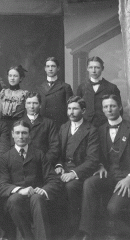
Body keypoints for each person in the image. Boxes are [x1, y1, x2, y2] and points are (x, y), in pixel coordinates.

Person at [0, 120, 61, 240]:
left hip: (36, 198)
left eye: (24, 133)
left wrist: (43, 190)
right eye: (17, 133)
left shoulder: (39, 154)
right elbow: (1, 185)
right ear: (12, 134)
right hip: (17, 200)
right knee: (13, 200)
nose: (21, 136)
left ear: (29, 135)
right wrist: (20, 190)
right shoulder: (5, 158)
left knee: (37, 198)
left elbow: (53, 179)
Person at [78, 94, 130, 240]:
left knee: (112, 209)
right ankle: (86, 232)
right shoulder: (99, 130)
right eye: (106, 107)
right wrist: (100, 165)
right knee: (90, 183)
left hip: (127, 178)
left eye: (112, 106)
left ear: (119, 107)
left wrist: (129, 178)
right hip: (110, 176)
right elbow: (97, 154)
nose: (109, 109)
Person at [55, 96, 99, 238]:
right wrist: (59, 165)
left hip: (81, 173)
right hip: (63, 171)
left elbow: (92, 160)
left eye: (75, 109)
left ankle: (76, 231)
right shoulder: (64, 127)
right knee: (50, 185)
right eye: (69, 108)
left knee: (70, 187)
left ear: (83, 110)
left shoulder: (91, 130)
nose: (71, 112)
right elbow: (58, 152)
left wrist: (74, 173)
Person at [77, 56, 121, 128]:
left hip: (106, 126)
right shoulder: (81, 87)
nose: (94, 71)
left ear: (102, 68)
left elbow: (119, 110)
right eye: (91, 67)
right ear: (87, 68)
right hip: (86, 126)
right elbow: (78, 108)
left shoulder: (112, 87)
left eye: (97, 67)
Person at [20, 91, 59, 165]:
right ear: (25, 105)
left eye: (35, 103)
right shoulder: (19, 123)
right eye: (29, 103)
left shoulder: (49, 123)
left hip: (44, 164)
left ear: (40, 105)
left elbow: (54, 147)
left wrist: (43, 162)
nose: (32, 106)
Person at [36, 57, 73, 128]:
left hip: (60, 125)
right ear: (45, 69)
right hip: (44, 125)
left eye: (53, 66)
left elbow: (70, 108)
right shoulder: (39, 88)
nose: (50, 69)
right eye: (48, 66)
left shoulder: (65, 87)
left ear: (58, 68)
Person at [0, 65, 29, 131]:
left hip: (18, 125)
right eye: (10, 76)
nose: (12, 78)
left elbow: (26, 114)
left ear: (21, 78)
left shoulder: (24, 94)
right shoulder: (3, 93)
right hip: (3, 126)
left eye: (15, 76)